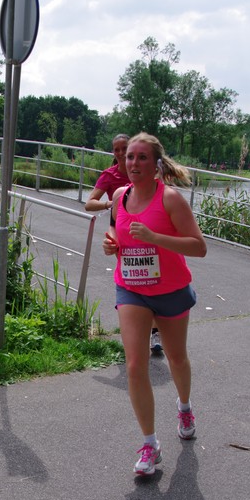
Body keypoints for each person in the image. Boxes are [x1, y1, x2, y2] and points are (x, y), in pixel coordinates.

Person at [101, 132, 206, 477]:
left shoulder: (170, 199)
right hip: (131, 289)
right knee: (135, 365)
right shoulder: (119, 196)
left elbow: (198, 247)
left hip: (170, 289)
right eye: (130, 156)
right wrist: (111, 244)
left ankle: (185, 407)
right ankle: (150, 443)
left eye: (142, 157)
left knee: (176, 358)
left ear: (156, 163)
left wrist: (155, 238)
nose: (133, 162)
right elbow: (116, 231)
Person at [86, 134, 163, 357]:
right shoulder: (110, 176)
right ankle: (137, 329)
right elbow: (89, 204)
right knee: (132, 282)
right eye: (116, 150)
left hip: (147, 233)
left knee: (151, 282)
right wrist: (111, 204)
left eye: (124, 149)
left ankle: (154, 332)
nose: (120, 153)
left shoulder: (144, 171)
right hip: (123, 235)